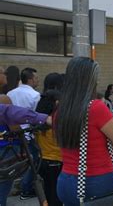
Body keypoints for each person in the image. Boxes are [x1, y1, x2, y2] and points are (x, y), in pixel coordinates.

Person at [55, 57, 113, 205]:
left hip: (66, 181)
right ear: (91, 80)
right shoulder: (96, 108)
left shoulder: (61, 109)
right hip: (95, 182)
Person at [7, 67, 41, 199]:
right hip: (27, 133)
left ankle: (21, 187)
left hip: (13, 132)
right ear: (31, 80)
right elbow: (35, 116)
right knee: (34, 160)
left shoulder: (10, 93)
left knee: (17, 160)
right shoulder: (35, 95)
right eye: (36, 78)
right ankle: (26, 189)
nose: (38, 80)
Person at [35, 72, 64, 206]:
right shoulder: (57, 110)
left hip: (43, 159)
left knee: (49, 196)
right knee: (57, 197)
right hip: (58, 160)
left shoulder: (40, 104)